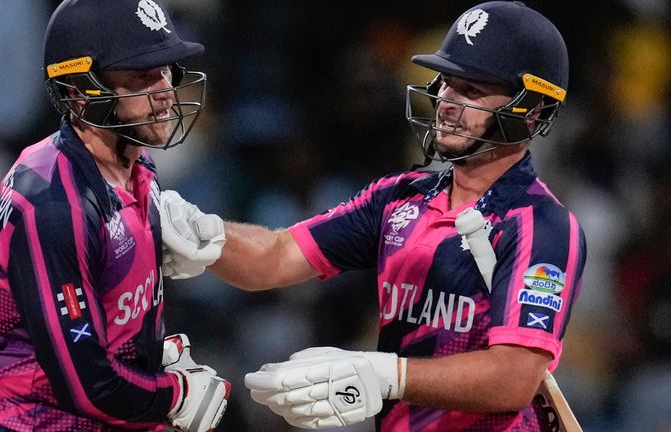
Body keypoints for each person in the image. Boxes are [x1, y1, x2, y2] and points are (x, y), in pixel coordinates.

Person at [160, 1, 586, 431]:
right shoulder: (398, 200)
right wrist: (203, 232)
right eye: (446, 83)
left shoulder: (540, 224)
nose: (445, 101)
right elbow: (276, 255)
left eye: (471, 91)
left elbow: (512, 379)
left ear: (530, 110)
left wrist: (385, 374)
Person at [0, 1, 229, 431]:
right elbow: (85, 383)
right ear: (79, 93)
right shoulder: (51, 199)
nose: (165, 91)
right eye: (141, 76)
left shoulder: (136, 161)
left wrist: (155, 357)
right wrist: (175, 394)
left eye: (165, 70)